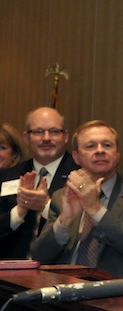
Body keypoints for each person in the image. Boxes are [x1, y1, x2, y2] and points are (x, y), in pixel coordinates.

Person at [31, 120, 123, 277]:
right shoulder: (62, 196)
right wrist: (64, 220)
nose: (100, 151)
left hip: (113, 292)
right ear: (76, 157)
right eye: (90, 146)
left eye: (107, 145)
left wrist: (95, 209)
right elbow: (39, 256)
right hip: (63, 289)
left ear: (117, 154)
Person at [0, 107, 79, 259]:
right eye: (38, 132)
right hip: (10, 273)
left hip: (58, 273)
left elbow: (81, 230)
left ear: (66, 136)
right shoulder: (8, 175)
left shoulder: (79, 176)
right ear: (26, 138)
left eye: (54, 131)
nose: (46, 138)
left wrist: (46, 206)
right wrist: (19, 211)